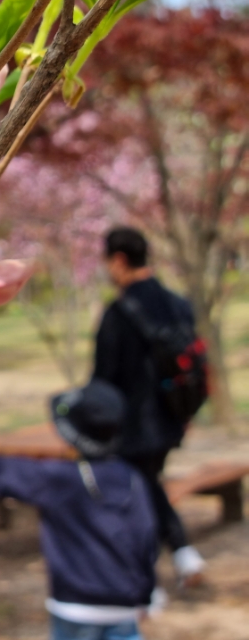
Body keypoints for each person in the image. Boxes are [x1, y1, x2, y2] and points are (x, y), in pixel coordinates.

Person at [0, 380, 157, 640]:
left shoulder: (59, 479)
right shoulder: (132, 479)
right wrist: (146, 595)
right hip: (124, 602)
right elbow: (146, 540)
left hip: (76, 604)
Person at [94, 226, 205, 584]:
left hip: (133, 425)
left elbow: (103, 377)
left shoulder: (118, 313)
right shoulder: (178, 303)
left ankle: (161, 569)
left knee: (141, 493)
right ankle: (179, 558)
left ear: (120, 260)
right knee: (149, 484)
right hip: (174, 415)